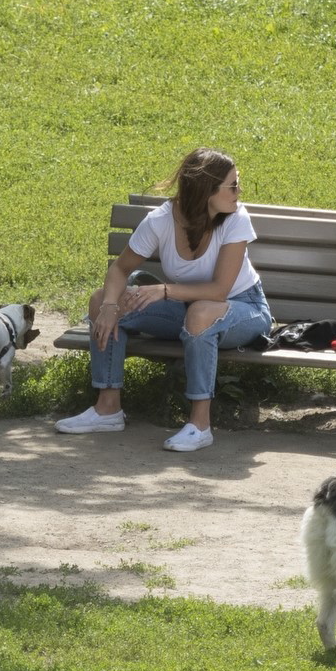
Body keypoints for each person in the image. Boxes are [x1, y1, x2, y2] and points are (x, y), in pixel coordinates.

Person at [56, 149, 274, 454]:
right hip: (188, 308)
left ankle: (200, 425)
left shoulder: (236, 218)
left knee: (200, 313)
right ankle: (108, 409)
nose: (239, 192)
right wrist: (108, 308)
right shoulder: (160, 220)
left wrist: (165, 291)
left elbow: (219, 290)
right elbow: (119, 269)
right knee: (101, 300)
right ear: (206, 190)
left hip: (244, 309)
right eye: (233, 185)